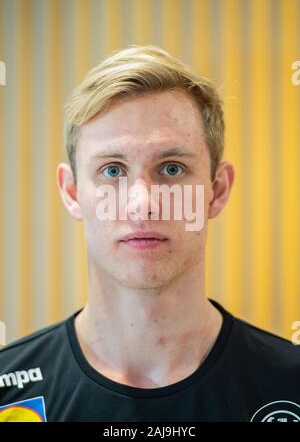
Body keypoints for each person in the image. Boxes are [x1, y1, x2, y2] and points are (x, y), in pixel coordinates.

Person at [0, 45, 299, 423]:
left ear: (217, 190)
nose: (143, 203)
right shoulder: (8, 393)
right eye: (112, 170)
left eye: (171, 169)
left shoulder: (290, 384)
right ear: (73, 193)